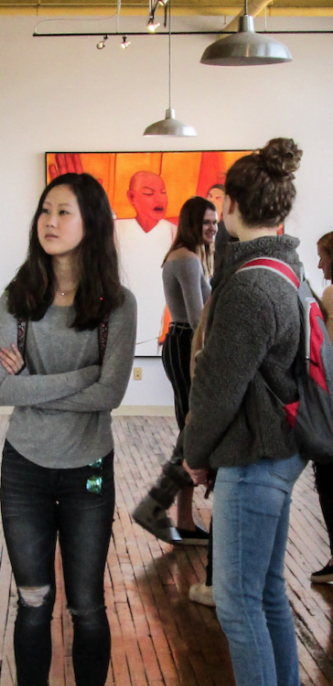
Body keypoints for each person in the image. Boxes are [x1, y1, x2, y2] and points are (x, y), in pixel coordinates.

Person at [0, 172, 136, 686]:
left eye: (63, 212)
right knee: (32, 601)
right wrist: (82, 377)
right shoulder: (17, 298)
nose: (49, 222)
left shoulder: (117, 306)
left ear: (90, 223)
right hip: (23, 468)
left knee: (86, 604)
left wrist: (36, 383)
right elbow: (1, 390)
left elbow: (112, 393)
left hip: (88, 472)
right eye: (45, 210)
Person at [185, 139, 307, 686]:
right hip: (278, 452)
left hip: (253, 456)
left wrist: (194, 453)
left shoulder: (250, 286)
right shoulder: (286, 271)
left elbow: (217, 390)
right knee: (265, 592)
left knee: (236, 601)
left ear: (229, 203)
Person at [132, 197, 218, 564]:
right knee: (191, 427)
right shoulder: (187, 259)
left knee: (189, 428)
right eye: (207, 222)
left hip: (183, 341)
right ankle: (155, 506)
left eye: (215, 222)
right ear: (191, 223)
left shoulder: (186, 256)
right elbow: (199, 318)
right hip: (187, 343)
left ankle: (180, 519)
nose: (213, 228)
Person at [114, 168, 175, 355]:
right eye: (149, 193)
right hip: (118, 328)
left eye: (163, 192)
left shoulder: (174, 233)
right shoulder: (115, 230)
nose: (159, 199)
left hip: (156, 333)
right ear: (131, 197)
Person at [309, 230, 333, 584]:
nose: (319, 265)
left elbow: (325, 353)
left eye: (323, 256)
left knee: (328, 478)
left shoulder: (330, 295)